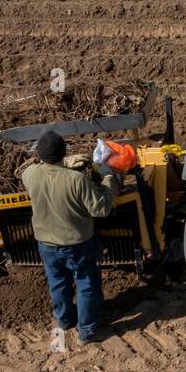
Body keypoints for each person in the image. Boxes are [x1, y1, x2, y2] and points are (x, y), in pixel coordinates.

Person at [20, 131, 120, 343]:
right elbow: (100, 209)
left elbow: (29, 174)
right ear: (65, 154)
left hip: (46, 244)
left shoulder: (30, 175)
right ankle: (88, 332)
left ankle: (64, 321)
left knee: (57, 283)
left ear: (39, 155)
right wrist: (109, 179)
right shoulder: (76, 180)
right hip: (77, 243)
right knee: (86, 284)